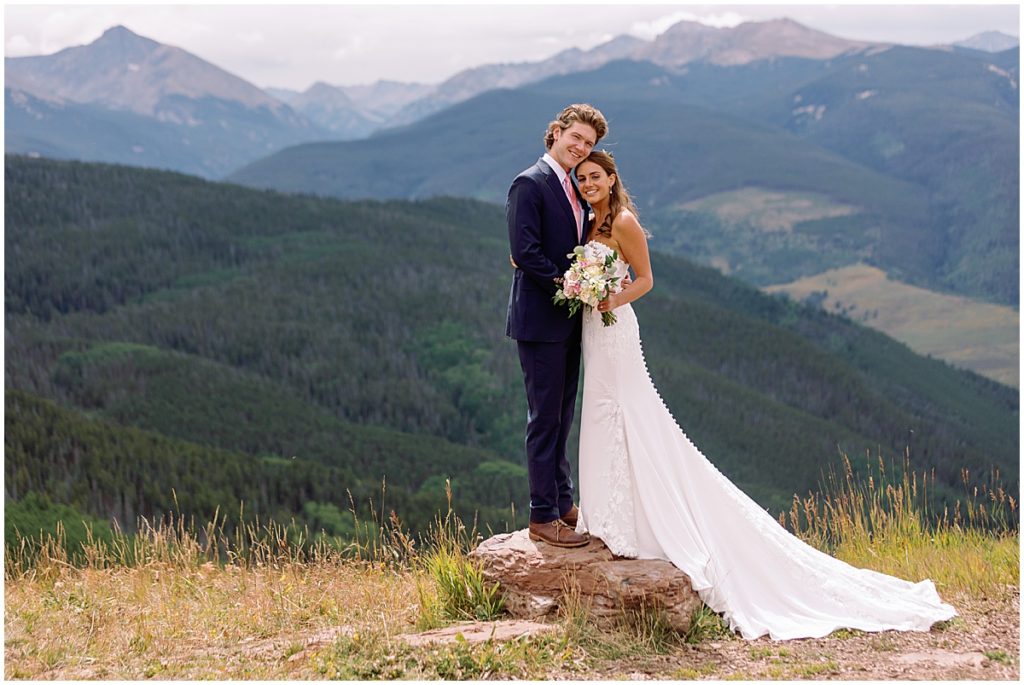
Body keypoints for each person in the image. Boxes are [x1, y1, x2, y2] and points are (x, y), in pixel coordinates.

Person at [571, 149, 958, 640]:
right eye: (582, 177)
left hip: (615, 326)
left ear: (611, 178)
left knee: (628, 413)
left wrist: (611, 297)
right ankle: (608, 517)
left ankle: (643, 523)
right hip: (593, 332)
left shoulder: (622, 221)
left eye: (595, 176)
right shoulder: (589, 220)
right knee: (603, 413)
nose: (588, 183)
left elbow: (646, 279)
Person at [506, 103, 608, 548]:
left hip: (568, 322)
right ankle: (542, 516)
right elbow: (525, 252)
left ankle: (564, 502)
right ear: (557, 132)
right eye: (577, 138)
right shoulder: (529, 183)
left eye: (589, 144)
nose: (581, 148)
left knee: (563, 415)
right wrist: (570, 286)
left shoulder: (573, 185)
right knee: (544, 419)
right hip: (540, 320)